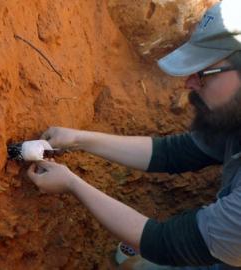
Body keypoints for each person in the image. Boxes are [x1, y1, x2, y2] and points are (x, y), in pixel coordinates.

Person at [27, 0, 241, 269]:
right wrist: (80, 139)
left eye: (204, 73)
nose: (189, 82)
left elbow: (167, 244)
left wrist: (73, 184)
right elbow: (174, 153)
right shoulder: (234, 118)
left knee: (134, 266)